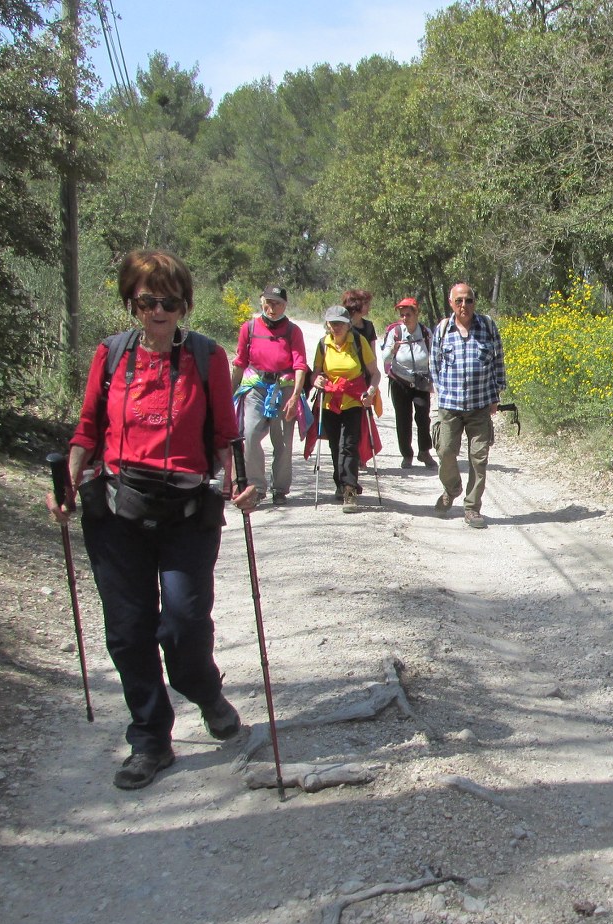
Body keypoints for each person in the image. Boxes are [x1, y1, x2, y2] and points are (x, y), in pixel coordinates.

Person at [45, 249, 258, 790]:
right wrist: (68, 487)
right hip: (117, 511)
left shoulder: (206, 357)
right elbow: (87, 429)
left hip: (187, 513)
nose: (158, 310)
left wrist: (238, 482)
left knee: (184, 624)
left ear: (184, 305)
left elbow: (223, 436)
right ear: (132, 303)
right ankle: (150, 740)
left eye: (168, 301)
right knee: (128, 630)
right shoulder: (111, 356)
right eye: (147, 300)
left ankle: (203, 688)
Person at [430, 282, 507, 529]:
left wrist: (496, 396)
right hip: (450, 405)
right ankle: (452, 488)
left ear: (475, 302)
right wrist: (440, 394)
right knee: (445, 451)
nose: (464, 305)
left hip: (480, 405)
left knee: (479, 458)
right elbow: (435, 364)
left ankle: (472, 508)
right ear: (451, 303)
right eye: (459, 300)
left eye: (469, 300)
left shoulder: (487, 326)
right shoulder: (443, 329)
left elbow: (498, 361)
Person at [230, 285, 308, 505]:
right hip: (256, 387)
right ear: (261, 301)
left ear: (285, 305)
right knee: (251, 435)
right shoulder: (249, 328)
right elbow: (240, 362)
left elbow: (300, 364)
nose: (272, 308)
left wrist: (294, 397)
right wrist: (228, 392)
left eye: (278, 303)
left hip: (283, 389)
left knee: (282, 442)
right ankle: (256, 487)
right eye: (269, 302)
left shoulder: (293, 331)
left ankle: (280, 488)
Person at [312, 305, 381, 513]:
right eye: (333, 323)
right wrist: (317, 381)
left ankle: (350, 489)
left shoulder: (358, 342)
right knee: (335, 446)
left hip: (353, 400)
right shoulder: (323, 344)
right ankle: (340, 484)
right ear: (327, 324)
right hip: (331, 400)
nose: (337, 327)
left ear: (348, 324)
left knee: (349, 445)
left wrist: (371, 391)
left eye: (340, 323)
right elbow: (315, 372)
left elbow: (374, 373)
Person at [380, 296, 436, 470]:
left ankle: (424, 451)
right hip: (399, 381)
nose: (405, 318)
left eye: (408, 314)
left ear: (416, 313)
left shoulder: (426, 333)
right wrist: (392, 350)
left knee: (423, 416)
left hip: (421, 381)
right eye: (402, 314)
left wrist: (435, 378)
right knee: (403, 419)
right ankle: (407, 454)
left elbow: (434, 356)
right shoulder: (395, 333)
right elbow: (384, 358)